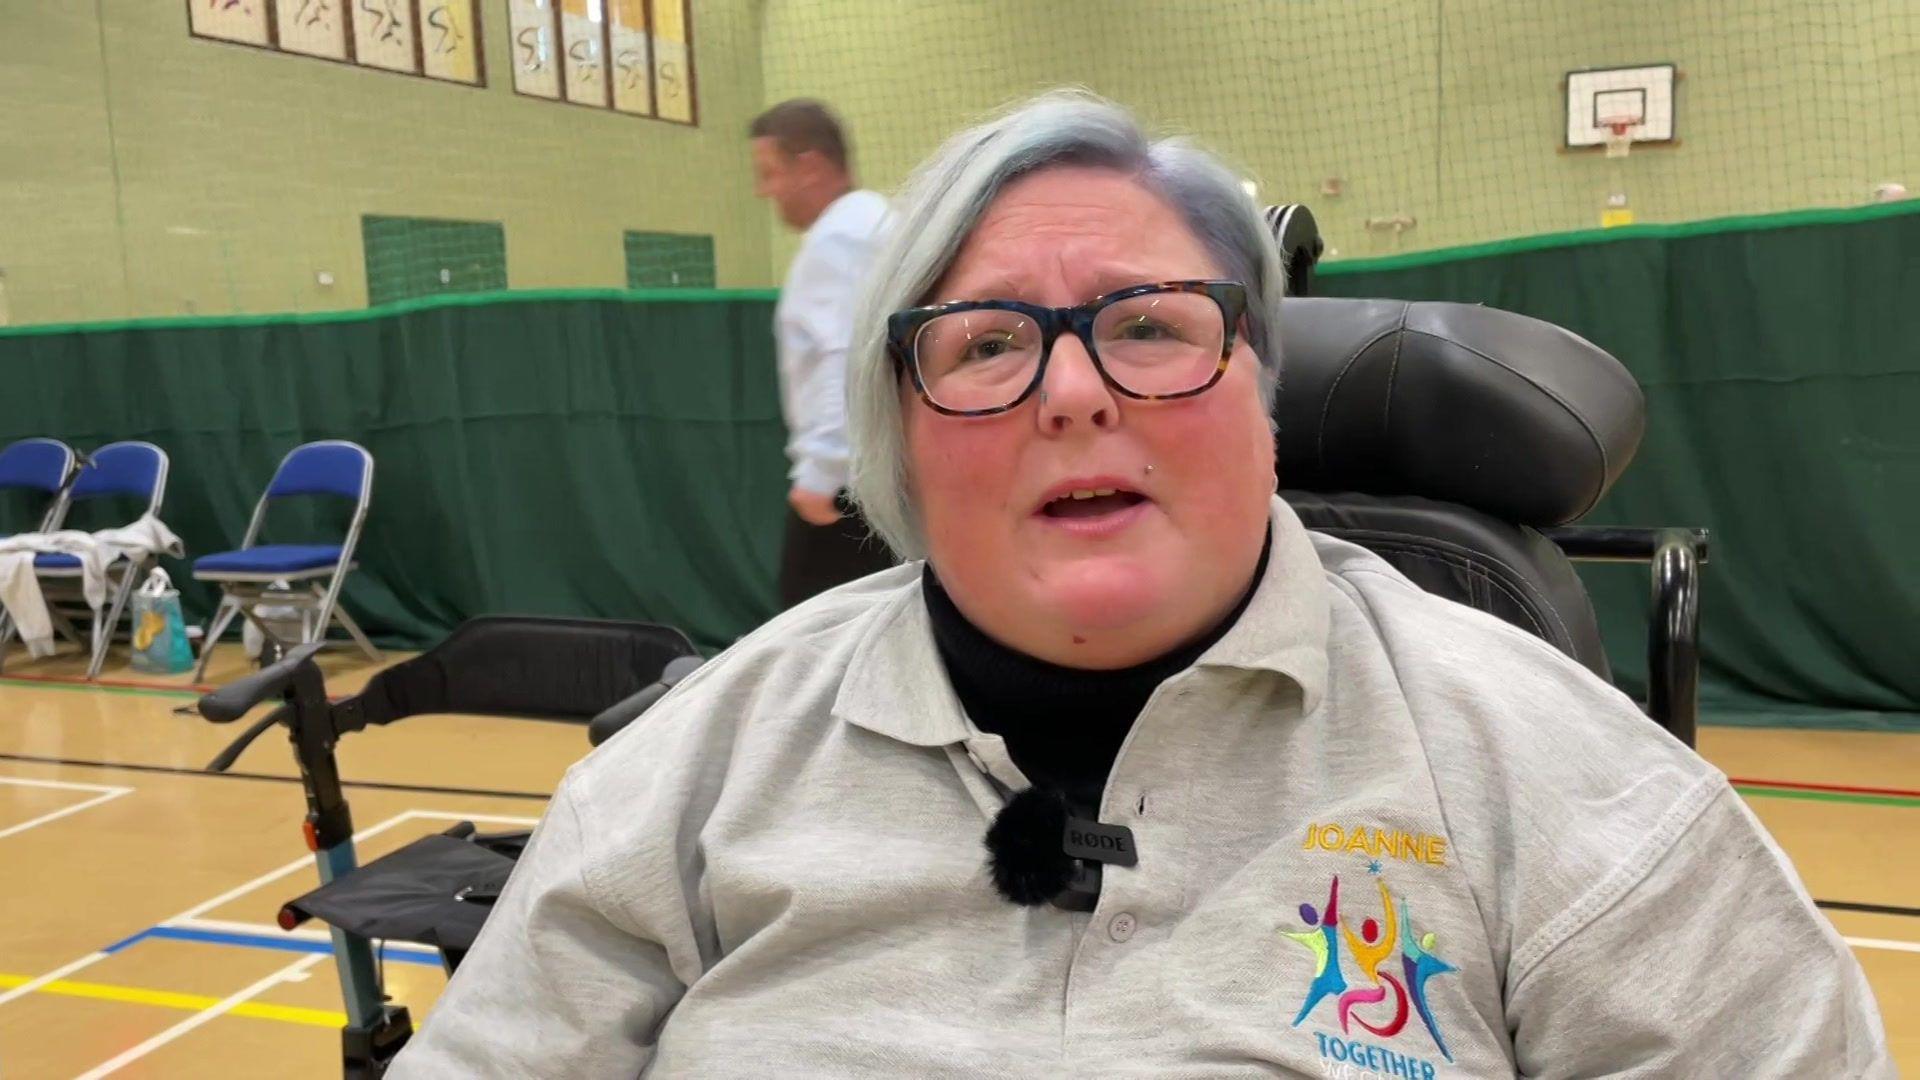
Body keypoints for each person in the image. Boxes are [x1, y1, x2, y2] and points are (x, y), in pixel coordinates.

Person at [391, 92, 1890, 1078]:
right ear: (901, 437)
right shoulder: (690, 778)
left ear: (1262, 391)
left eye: (1153, 328)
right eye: (985, 346)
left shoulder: (1564, 792)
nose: (1072, 395)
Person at [749, 98, 895, 608]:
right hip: (877, 475)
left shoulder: (840, 240)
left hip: (847, 487)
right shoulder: (874, 224)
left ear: (809, 166)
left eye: (769, 173)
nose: (763, 190)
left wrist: (821, 474)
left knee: (812, 638)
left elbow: (845, 357)